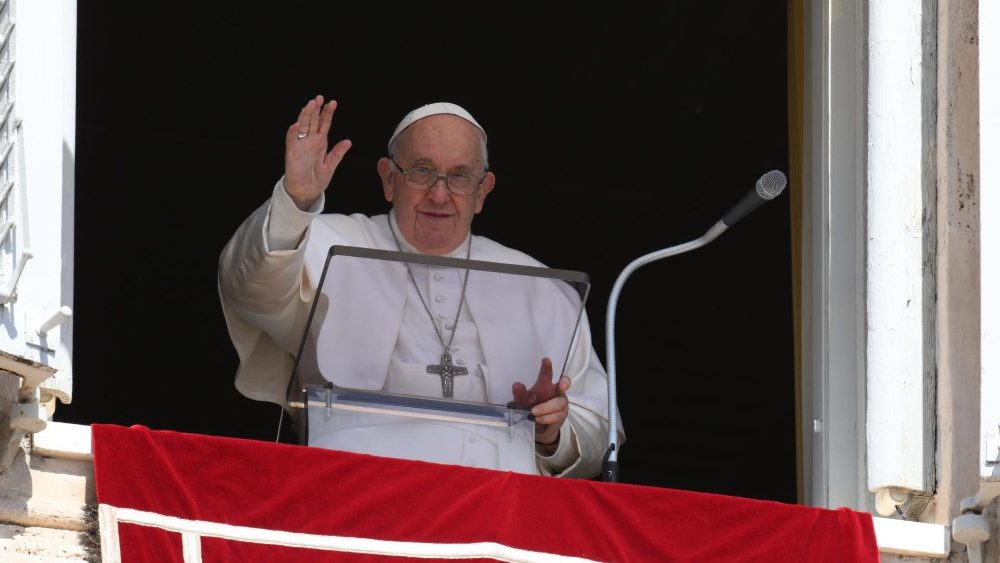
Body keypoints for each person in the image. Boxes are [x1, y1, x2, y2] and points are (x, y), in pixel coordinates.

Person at [218, 96, 621, 478]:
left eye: (461, 176)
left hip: (497, 510)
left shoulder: (539, 286)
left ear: (483, 191)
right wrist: (295, 202)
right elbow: (251, 287)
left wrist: (553, 431)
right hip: (351, 489)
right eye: (422, 171)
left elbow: (601, 430)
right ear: (389, 179)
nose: (440, 194)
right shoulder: (326, 241)